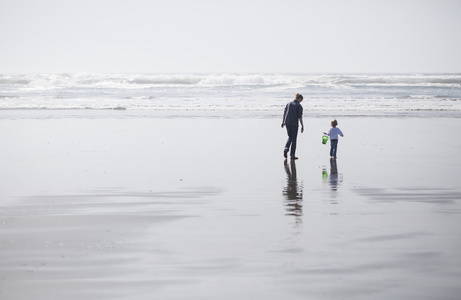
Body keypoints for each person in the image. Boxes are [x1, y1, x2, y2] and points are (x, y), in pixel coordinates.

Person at [281, 93, 304, 159]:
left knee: (290, 137)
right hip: (294, 124)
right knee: (294, 139)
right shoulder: (299, 106)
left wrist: (283, 122)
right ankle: (292, 154)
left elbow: (284, 113)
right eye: (301, 100)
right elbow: (300, 117)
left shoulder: (288, 104)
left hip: (287, 123)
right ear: (299, 98)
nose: (301, 101)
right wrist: (302, 126)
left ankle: (286, 148)